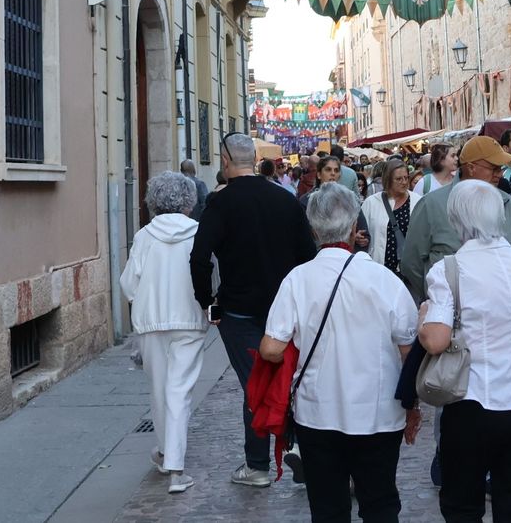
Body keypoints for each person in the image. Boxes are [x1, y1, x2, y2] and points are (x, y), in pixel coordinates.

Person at [261, 183, 421, 523]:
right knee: (380, 503)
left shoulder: (298, 279)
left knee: (328, 507)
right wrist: (412, 406)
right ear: (353, 228)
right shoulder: (384, 279)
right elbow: (409, 350)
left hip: (318, 412)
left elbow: (271, 348)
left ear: (314, 229)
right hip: (378, 413)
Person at [190, 133, 317, 488]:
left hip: (240, 310)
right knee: (289, 379)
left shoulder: (221, 203)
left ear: (226, 161)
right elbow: (307, 255)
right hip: (284, 309)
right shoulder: (285, 199)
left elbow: (199, 257)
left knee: (255, 385)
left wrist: (206, 301)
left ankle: (260, 464)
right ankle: (298, 450)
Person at [419, 181, 511, 523]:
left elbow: (435, 340)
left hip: (474, 405)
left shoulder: (449, 270)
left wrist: (422, 318)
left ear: (455, 218)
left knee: (463, 507)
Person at [121, 172, 207, 494]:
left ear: (153, 201)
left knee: (159, 391)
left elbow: (129, 283)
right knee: (179, 391)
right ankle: (174, 467)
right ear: (188, 201)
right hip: (188, 320)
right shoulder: (198, 232)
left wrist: (141, 299)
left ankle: (167, 456)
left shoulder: (145, 236)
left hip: (152, 322)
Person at [399, 136, 511, 303]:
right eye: (494, 168)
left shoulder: (507, 203)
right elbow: (411, 263)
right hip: (450, 314)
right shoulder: (432, 205)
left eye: (501, 168)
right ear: (471, 168)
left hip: (500, 306)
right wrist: (438, 295)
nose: (500, 174)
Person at [363, 158, 420, 273]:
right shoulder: (371, 202)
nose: (404, 182)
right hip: (379, 268)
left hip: (407, 270)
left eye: (406, 177)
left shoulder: (418, 201)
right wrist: (361, 238)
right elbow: (362, 232)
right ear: (388, 180)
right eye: (399, 179)